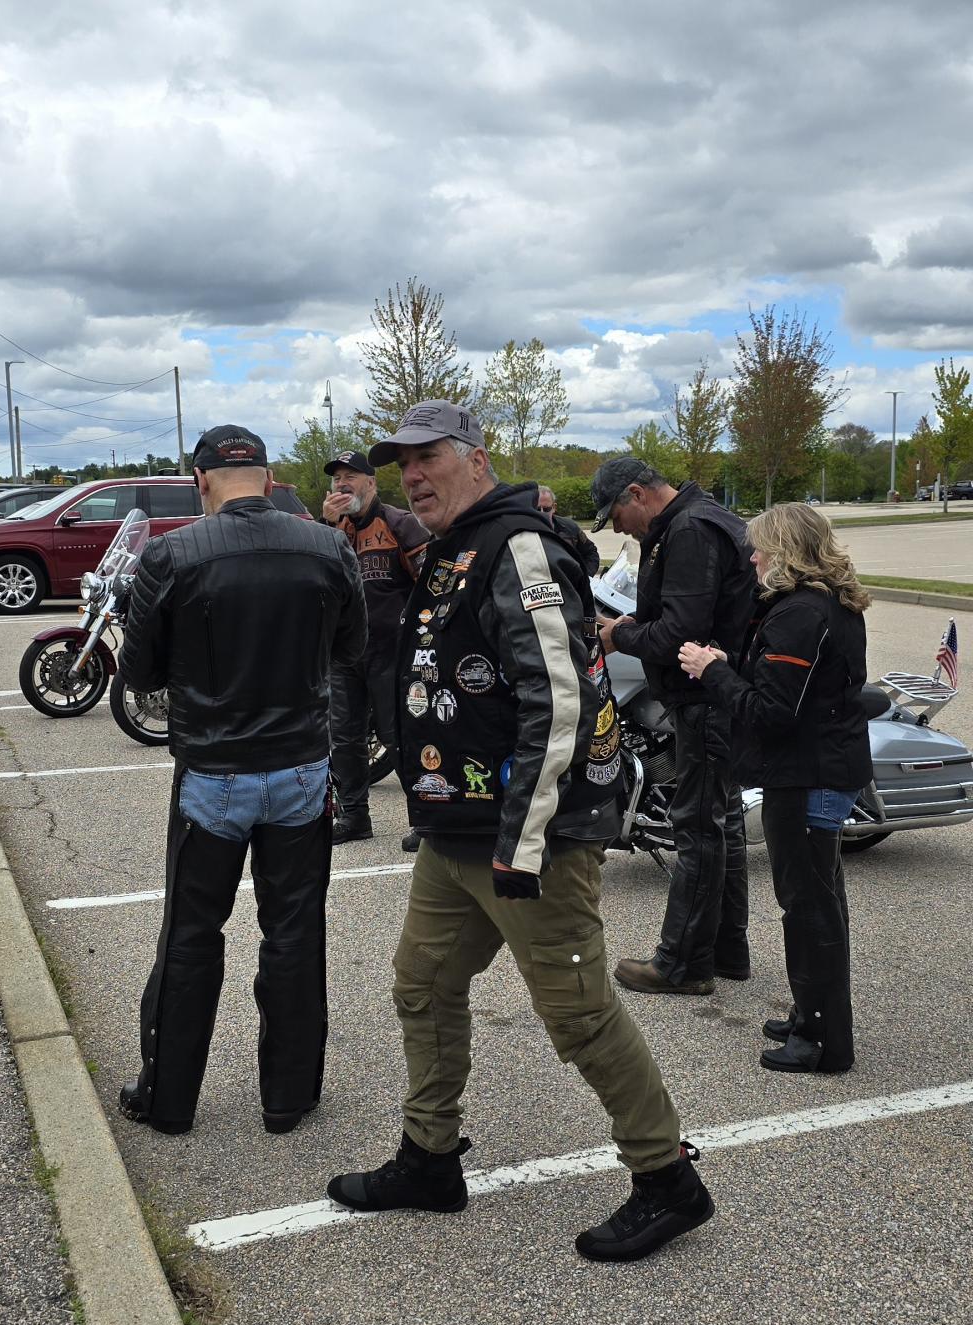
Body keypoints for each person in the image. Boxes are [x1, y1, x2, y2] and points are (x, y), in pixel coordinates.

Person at [326, 401, 714, 1263]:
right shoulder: (455, 545)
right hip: (455, 829)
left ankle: (668, 1180)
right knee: (423, 985)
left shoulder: (519, 546)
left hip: (531, 836)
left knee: (578, 1014)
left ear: (476, 458)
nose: (412, 476)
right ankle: (429, 1159)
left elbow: (560, 702)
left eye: (428, 457)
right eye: (402, 464)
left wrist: (523, 839)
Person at [117, 425, 366, 1135]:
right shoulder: (328, 547)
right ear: (269, 477)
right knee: (294, 932)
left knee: (191, 934)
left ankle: (168, 1100)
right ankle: (288, 1098)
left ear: (200, 482)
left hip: (214, 771)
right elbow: (351, 647)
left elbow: (139, 672)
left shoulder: (173, 552)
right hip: (299, 768)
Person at [678, 503, 872, 1074]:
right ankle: (811, 1014)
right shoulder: (824, 602)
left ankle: (822, 1040)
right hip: (817, 767)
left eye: (760, 547)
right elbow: (792, 692)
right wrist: (731, 664)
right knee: (818, 902)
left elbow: (772, 712)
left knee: (809, 910)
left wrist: (712, 671)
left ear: (785, 550)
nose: (753, 558)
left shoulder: (800, 614)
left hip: (807, 775)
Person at [591, 457, 754, 995]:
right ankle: (726, 949)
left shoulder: (688, 530)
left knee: (698, 828)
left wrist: (619, 636)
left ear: (637, 494)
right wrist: (634, 624)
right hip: (715, 696)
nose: (619, 529)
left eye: (617, 516)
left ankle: (683, 964)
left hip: (704, 699)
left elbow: (680, 634)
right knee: (722, 823)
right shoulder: (698, 519)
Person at [321, 449, 428, 851]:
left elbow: (430, 586)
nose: (342, 484)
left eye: (351, 476)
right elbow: (319, 580)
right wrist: (328, 528)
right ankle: (354, 817)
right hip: (344, 653)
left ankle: (425, 818)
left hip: (392, 652)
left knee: (398, 735)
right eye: (337, 478)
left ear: (371, 482)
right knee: (344, 738)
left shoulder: (400, 523)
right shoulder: (331, 530)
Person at [536, 484, 601, 580]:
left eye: (546, 509)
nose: (542, 513)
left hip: (570, 584)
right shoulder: (522, 532)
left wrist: (585, 578)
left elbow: (591, 553)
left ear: (554, 507)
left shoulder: (570, 528)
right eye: (537, 509)